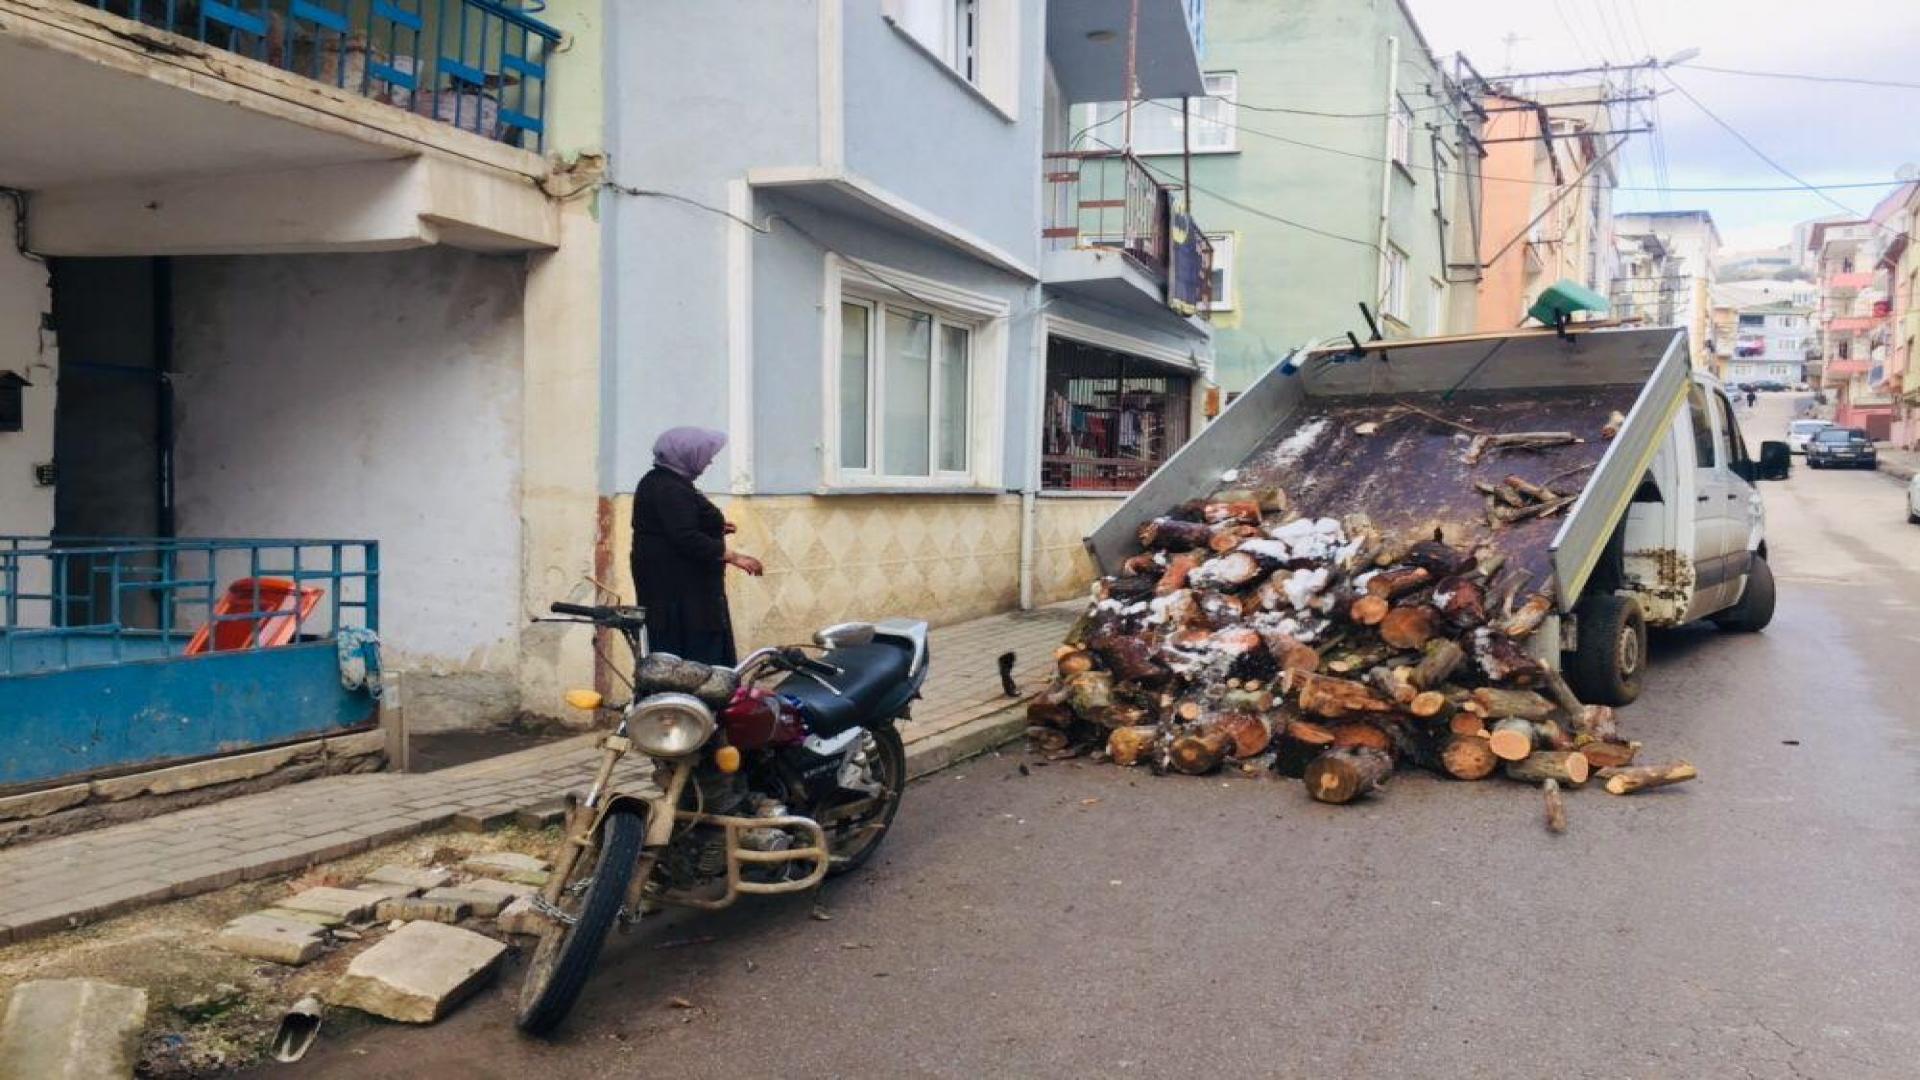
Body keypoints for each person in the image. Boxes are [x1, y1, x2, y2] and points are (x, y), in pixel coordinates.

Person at [630, 427, 763, 666]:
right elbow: (685, 536)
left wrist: (714, 527)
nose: (710, 461)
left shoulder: (663, 481)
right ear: (686, 454)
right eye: (705, 454)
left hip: (677, 591)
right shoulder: (670, 488)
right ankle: (691, 703)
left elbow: (669, 526)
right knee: (692, 660)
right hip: (681, 595)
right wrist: (734, 556)